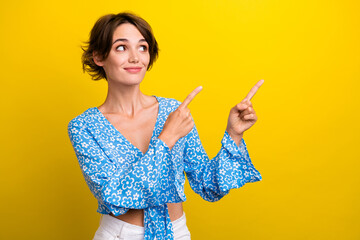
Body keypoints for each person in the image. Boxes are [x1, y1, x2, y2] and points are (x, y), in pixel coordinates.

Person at [67, 12, 264, 240]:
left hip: (176, 233)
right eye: (121, 47)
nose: (135, 58)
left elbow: (208, 185)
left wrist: (234, 134)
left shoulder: (174, 112)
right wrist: (167, 138)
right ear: (99, 57)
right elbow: (114, 197)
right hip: (120, 235)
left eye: (143, 47)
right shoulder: (84, 127)